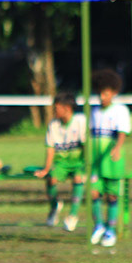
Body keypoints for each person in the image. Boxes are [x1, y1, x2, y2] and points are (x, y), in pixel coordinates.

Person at [88, 69, 130, 248]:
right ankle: (98, 225)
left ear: (114, 93)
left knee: (112, 195)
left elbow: (122, 133)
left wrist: (117, 148)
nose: (102, 97)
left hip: (111, 158)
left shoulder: (120, 110)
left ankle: (110, 230)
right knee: (94, 192)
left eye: (106, 93)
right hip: (96, 158)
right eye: (100, 93)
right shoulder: (94, 111)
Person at [34, 92, 87, 231]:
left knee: (78, 178)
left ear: (67, 108)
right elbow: (50, 149)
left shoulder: (80, 121)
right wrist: (46, 169)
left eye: (56, 108)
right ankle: (54, 206)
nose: (54, 111)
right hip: (61, 164)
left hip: (78, 163)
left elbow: (86, 146)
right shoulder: (53, 125)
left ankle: (73, 216)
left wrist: (88, 167)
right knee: (51, 179)